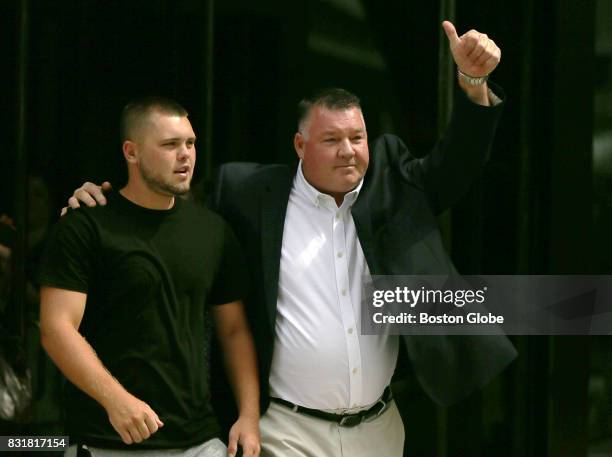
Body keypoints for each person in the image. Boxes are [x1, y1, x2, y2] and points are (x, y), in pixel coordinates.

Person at [64, 21, 517, 456]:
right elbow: (165, 210)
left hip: (379, 425)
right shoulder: (246, 194)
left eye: (357, 138)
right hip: (286, 429)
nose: (348, 151)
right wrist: (104, 200)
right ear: (300, 146)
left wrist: (473, 84)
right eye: (332, 139)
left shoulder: (394, 186)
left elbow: (456, 166)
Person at [40, 97, 261, 457]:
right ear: (132, 152)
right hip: (107, 440)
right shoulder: (87, 225)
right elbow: (56, 328)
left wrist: (248, 416)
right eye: (170, 145)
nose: (186, 155)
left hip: (199, 440)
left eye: (190, 143)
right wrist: (116, 401)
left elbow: (234, 330)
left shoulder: (213, 231)